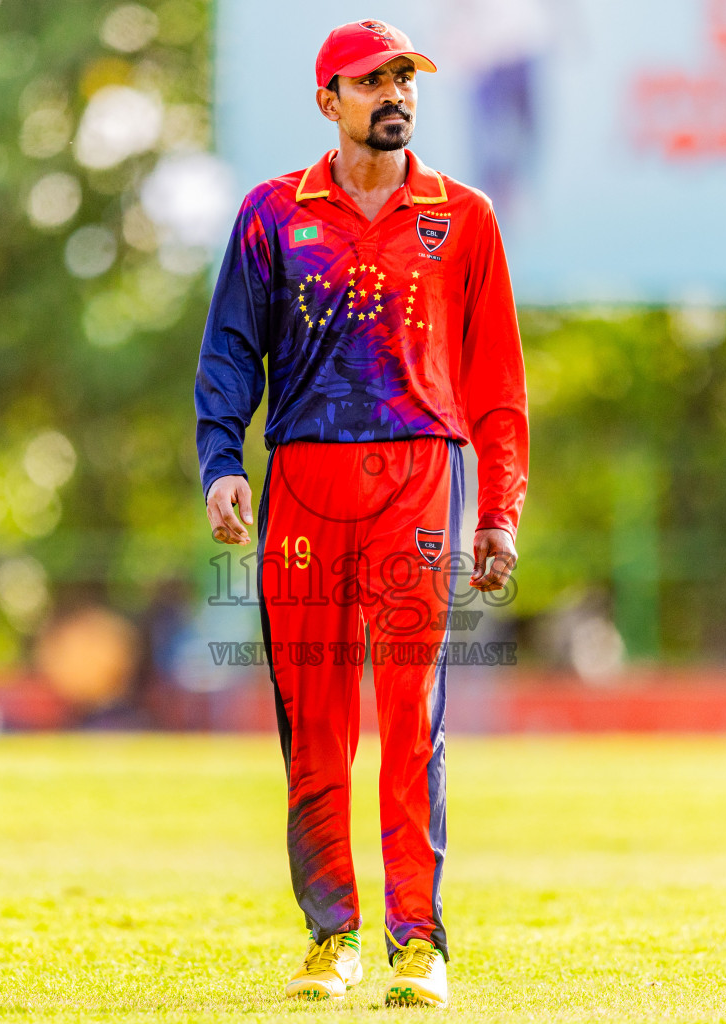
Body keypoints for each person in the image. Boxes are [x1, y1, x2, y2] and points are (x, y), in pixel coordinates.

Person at [195, 19, 528, 1008]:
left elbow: (497, 380)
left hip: (419, 481)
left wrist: (499, 509)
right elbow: (226, 353)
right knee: (316, 721)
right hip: (301, 485)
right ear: (327, 100)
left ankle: (418, 942)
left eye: (406, 78)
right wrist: (222, 462)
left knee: (409, 716)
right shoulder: (270, 215)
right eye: (372, 80)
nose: (396, 94)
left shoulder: (462, 217)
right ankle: (331, 935)